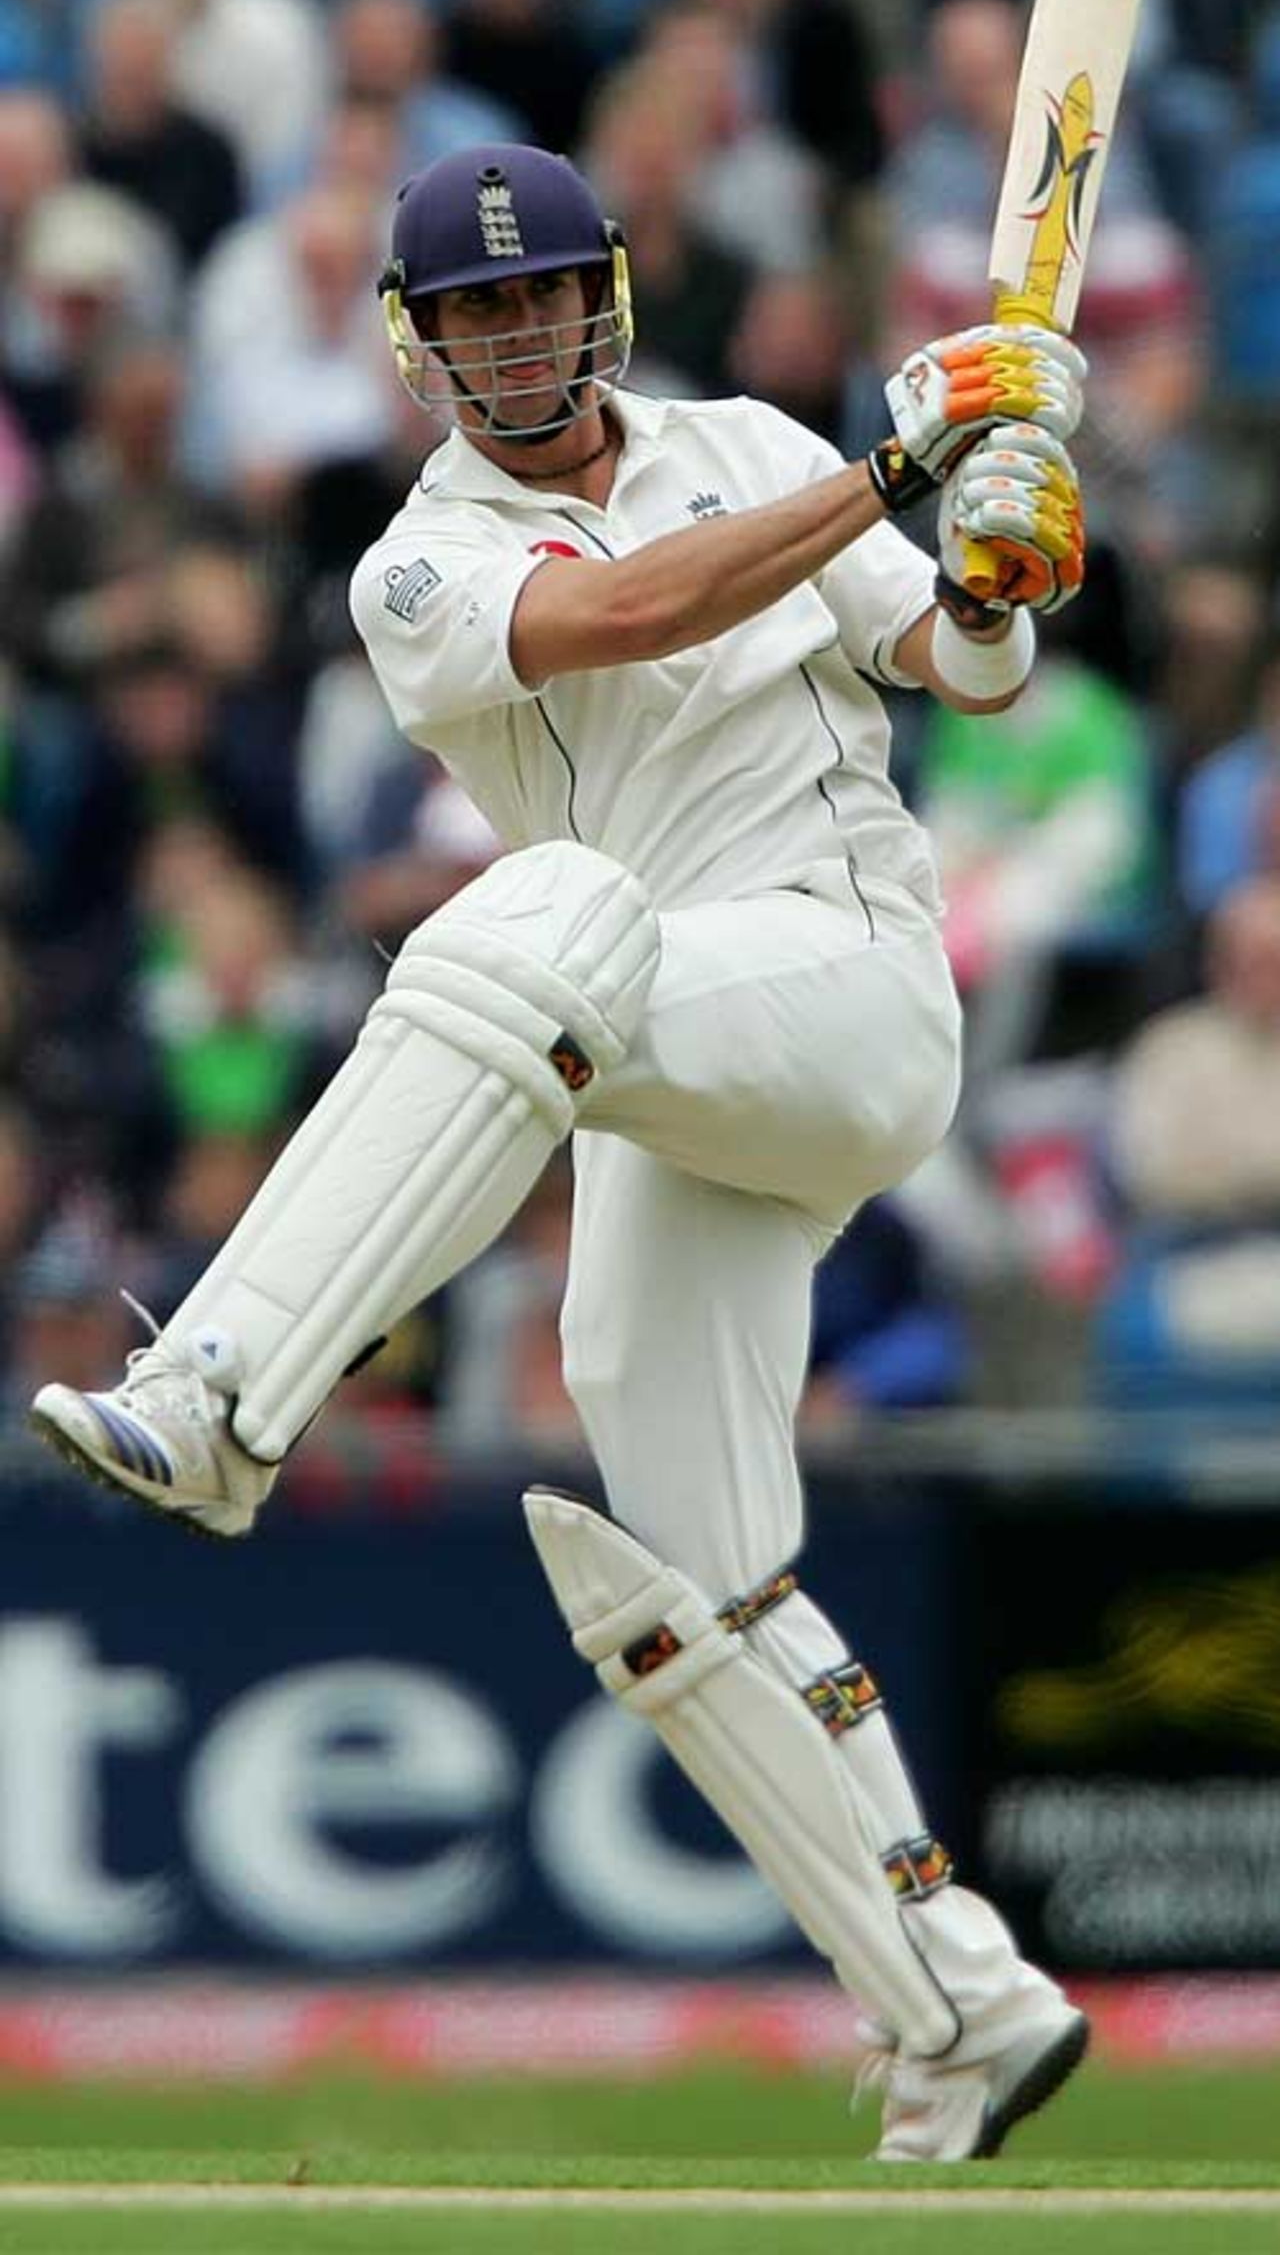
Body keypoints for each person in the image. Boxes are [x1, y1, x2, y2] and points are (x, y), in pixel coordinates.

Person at [30, 140, 1089, 2162]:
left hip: (850, 994)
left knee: (531, 914)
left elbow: (954, 665)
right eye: (477, 312)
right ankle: (958, 2002)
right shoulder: (413, 563)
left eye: (546, 296)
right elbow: (619, 614)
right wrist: (897, 482)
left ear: (604, 291)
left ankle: (224, 1394)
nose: (520, 336)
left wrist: (995, 566)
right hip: (666, 1046)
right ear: (418, 346)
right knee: (684, 1563)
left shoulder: (749, 437)